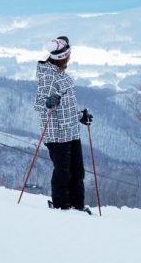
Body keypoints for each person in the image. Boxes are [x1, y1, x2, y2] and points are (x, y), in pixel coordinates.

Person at [34, 36, 93, 214]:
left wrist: (80, 116)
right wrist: (48, 102)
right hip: (57, 133)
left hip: (71, 131)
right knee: (63, 171)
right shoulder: (48, 77)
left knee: (77, 172)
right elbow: (38, 104)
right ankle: (62, 206)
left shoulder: (60, 74)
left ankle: (77, 205)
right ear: (63, 57)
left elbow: (67, 105)